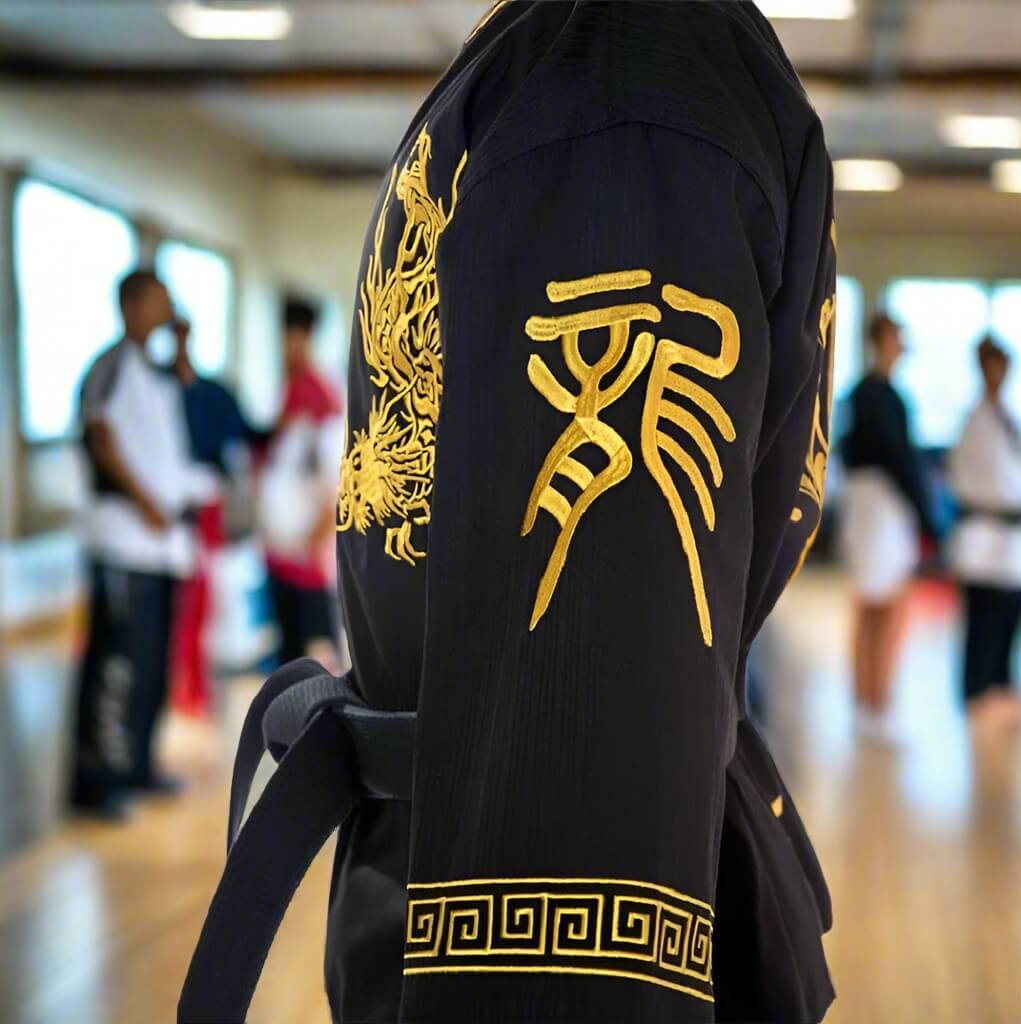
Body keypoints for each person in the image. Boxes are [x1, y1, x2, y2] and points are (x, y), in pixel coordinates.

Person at [182, 3, 836, 1022]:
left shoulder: (616, 78)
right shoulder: (571, 62)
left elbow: (578, 696)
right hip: (436, 846)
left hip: (513, 892)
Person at [71, 270, 213, 819]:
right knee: (117, 664)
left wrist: (182, 345)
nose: (167, 308)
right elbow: (99, 435)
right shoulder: (109, 365)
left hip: (160, 549)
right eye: (158, 301)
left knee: (152, 662)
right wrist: (144, 501)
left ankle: (139, 766)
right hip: (124, 541)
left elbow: (187, 400)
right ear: (130, 305)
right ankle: (97, 781)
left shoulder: (154, 371)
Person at [840, 312, 938, 742]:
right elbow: (901, 460)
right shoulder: (879, 397)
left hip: (870, 509)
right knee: (884, 607)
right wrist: (929, 515)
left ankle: (869, 701)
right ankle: (874, 703)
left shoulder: (863, 395)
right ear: (881, 339)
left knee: (871, 606)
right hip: (880, 509)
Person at [166, 318, 266, 716]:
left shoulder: (214, 393)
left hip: (208, 506)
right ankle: (183, 688)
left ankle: (196, 688)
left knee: (206, 595)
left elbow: (248, 436)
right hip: (172, 510)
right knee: (184, 601)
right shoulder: (161, 391)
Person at [259, 296, 345, 669]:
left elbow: (334, 477)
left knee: (319, 661)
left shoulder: (323, 395)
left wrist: (319, 533)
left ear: (307, 337)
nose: (287, 346)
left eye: (294, 336)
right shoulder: (286, 391)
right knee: (287, 656)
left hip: (309, 556)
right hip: (280, 550)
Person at [949, 337, 1021, 730]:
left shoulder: (1006, 417)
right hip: (983, 534)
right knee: (983, 622)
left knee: (1009, 618)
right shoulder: (974, 420)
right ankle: (976, 690)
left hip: (1010, 540)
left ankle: (1000, 684)